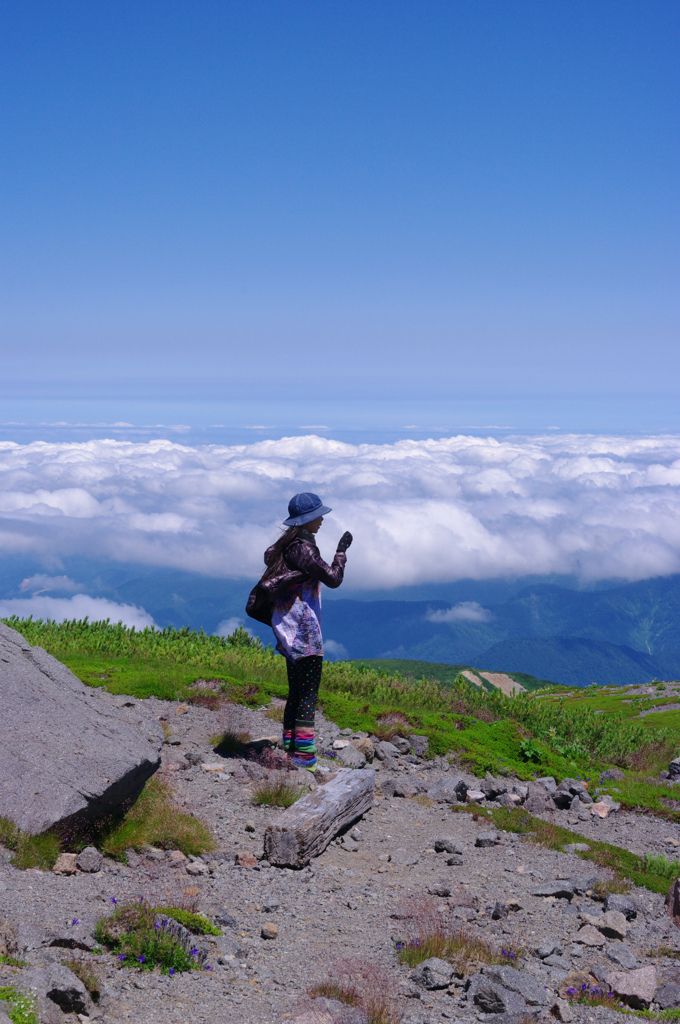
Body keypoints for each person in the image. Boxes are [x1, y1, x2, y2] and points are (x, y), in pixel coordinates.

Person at [261, 492, 352, 770]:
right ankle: (305, 757)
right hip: (305, 630)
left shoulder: (285, 548)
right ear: (307, 520)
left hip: (286, 627)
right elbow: (333, 579)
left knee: (296, 690)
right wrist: (341, 554)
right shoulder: (305, 549)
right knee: (308, 693)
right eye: (318, 515)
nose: (322, 519)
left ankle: (290, 748)